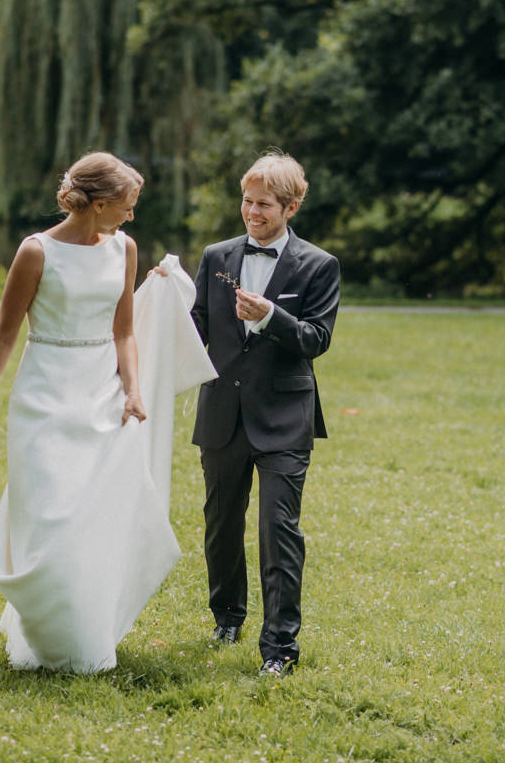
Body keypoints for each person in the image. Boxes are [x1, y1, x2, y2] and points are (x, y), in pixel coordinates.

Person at [0, 151, 187, 673]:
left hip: (102, 395)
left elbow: (124, 332)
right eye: (127, 205)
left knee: (88, 520)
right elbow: (4, 337)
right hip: (43, 396)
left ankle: (83, 636)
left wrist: (132, 391)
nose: (132, 215)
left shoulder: (125, 248)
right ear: (99, 204)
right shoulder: (36, 252)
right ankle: (46, 632)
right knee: (48, 519)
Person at [189, 151, 340, 676]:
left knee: (279, 531)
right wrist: (162, 301)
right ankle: (227, 615)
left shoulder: (319, 265)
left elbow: (316, 339)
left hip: (284, 417)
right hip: (222, 414)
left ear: (290, 207)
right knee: (221, 525)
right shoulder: (216, 256)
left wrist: (272, 316)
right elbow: (196, 326)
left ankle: (279, 648)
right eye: (247, 202)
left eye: (264, 205)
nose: (252, 212)